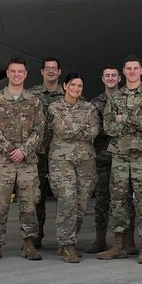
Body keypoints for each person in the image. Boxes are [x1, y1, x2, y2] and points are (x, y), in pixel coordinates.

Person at [98, 55, 142, 263]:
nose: (132, 72)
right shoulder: (115, 97)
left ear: (141, 71)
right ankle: (119, 244)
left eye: (135, 68)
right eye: (128, 69)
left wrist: (123, 118)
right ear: (123, 72)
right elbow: (108, 126)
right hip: (120, 156)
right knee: (118, 201)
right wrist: (135, 121)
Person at [0, 57, 45, 260]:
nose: (17, 75)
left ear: (25, 75)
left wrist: (24, 151)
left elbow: (39, 129)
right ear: (8, 73)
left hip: (26, 163)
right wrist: (11, 150)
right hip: (3, 162)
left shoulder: (34, 101)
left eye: (20, 72)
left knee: (28, 205)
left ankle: (29, 244)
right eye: (13, 71)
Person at [48, 72, 100, 263]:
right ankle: (68, 244)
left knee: (81, 203)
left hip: (85, 160)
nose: (76, 89)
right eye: (72, 85)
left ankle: (68, 241)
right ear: (64, 86)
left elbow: (94, 131)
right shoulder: (54, 107)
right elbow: (60, 129)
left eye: (79, 86)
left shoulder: (89, 107)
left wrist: (74, 129)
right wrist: (82, 129)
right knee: (67, 200)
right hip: (62, 160)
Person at [28, 57, 64, 249]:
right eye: (47, 68)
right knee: (37, 196)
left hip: (61, 155)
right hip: (38, 153)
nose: (51, 71)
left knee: (64, 197)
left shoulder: (68, 93)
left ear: (59, 72)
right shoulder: (32, 94)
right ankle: (36, 235)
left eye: (54, 69)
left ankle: (64, 238)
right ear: (42, 71)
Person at [87, 65, 121, 253]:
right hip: (102, 158)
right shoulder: (95, 103)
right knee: (101, 199)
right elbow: (94, 130)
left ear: (119, 78)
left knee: (122, 200)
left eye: (113, 75)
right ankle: (100, 239)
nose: (110, 78)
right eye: (107, 75)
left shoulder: (126, 99)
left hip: (123, 157)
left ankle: (125, 240)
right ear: (102, 78)